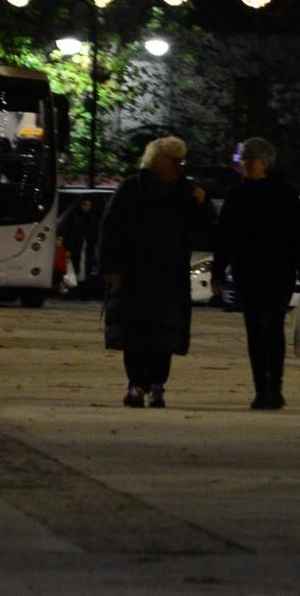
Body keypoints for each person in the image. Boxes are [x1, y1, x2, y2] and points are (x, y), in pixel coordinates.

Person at [99, 136, 210, 409]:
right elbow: (110, 229)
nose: (180, 166)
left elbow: (206, 231)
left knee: (164, 332)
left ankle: (156, 384)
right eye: (175, 160)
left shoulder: (186, 192)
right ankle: (137, 384)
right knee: (135, 333)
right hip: (135, 273)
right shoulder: (131, 190)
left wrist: (202, 204)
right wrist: (110, 266)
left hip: (168, 274)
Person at [213, 136, 300, 410]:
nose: (244, 164)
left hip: (273, 271)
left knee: (268, 328)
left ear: (263, 162)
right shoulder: (253, 194)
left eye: (249, 159)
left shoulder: (277, 194)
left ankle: (271, 386)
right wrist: (218, 271)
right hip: (255, 271)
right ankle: (264, 387)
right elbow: (223, 237)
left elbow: (298, 236)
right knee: (257, 330)